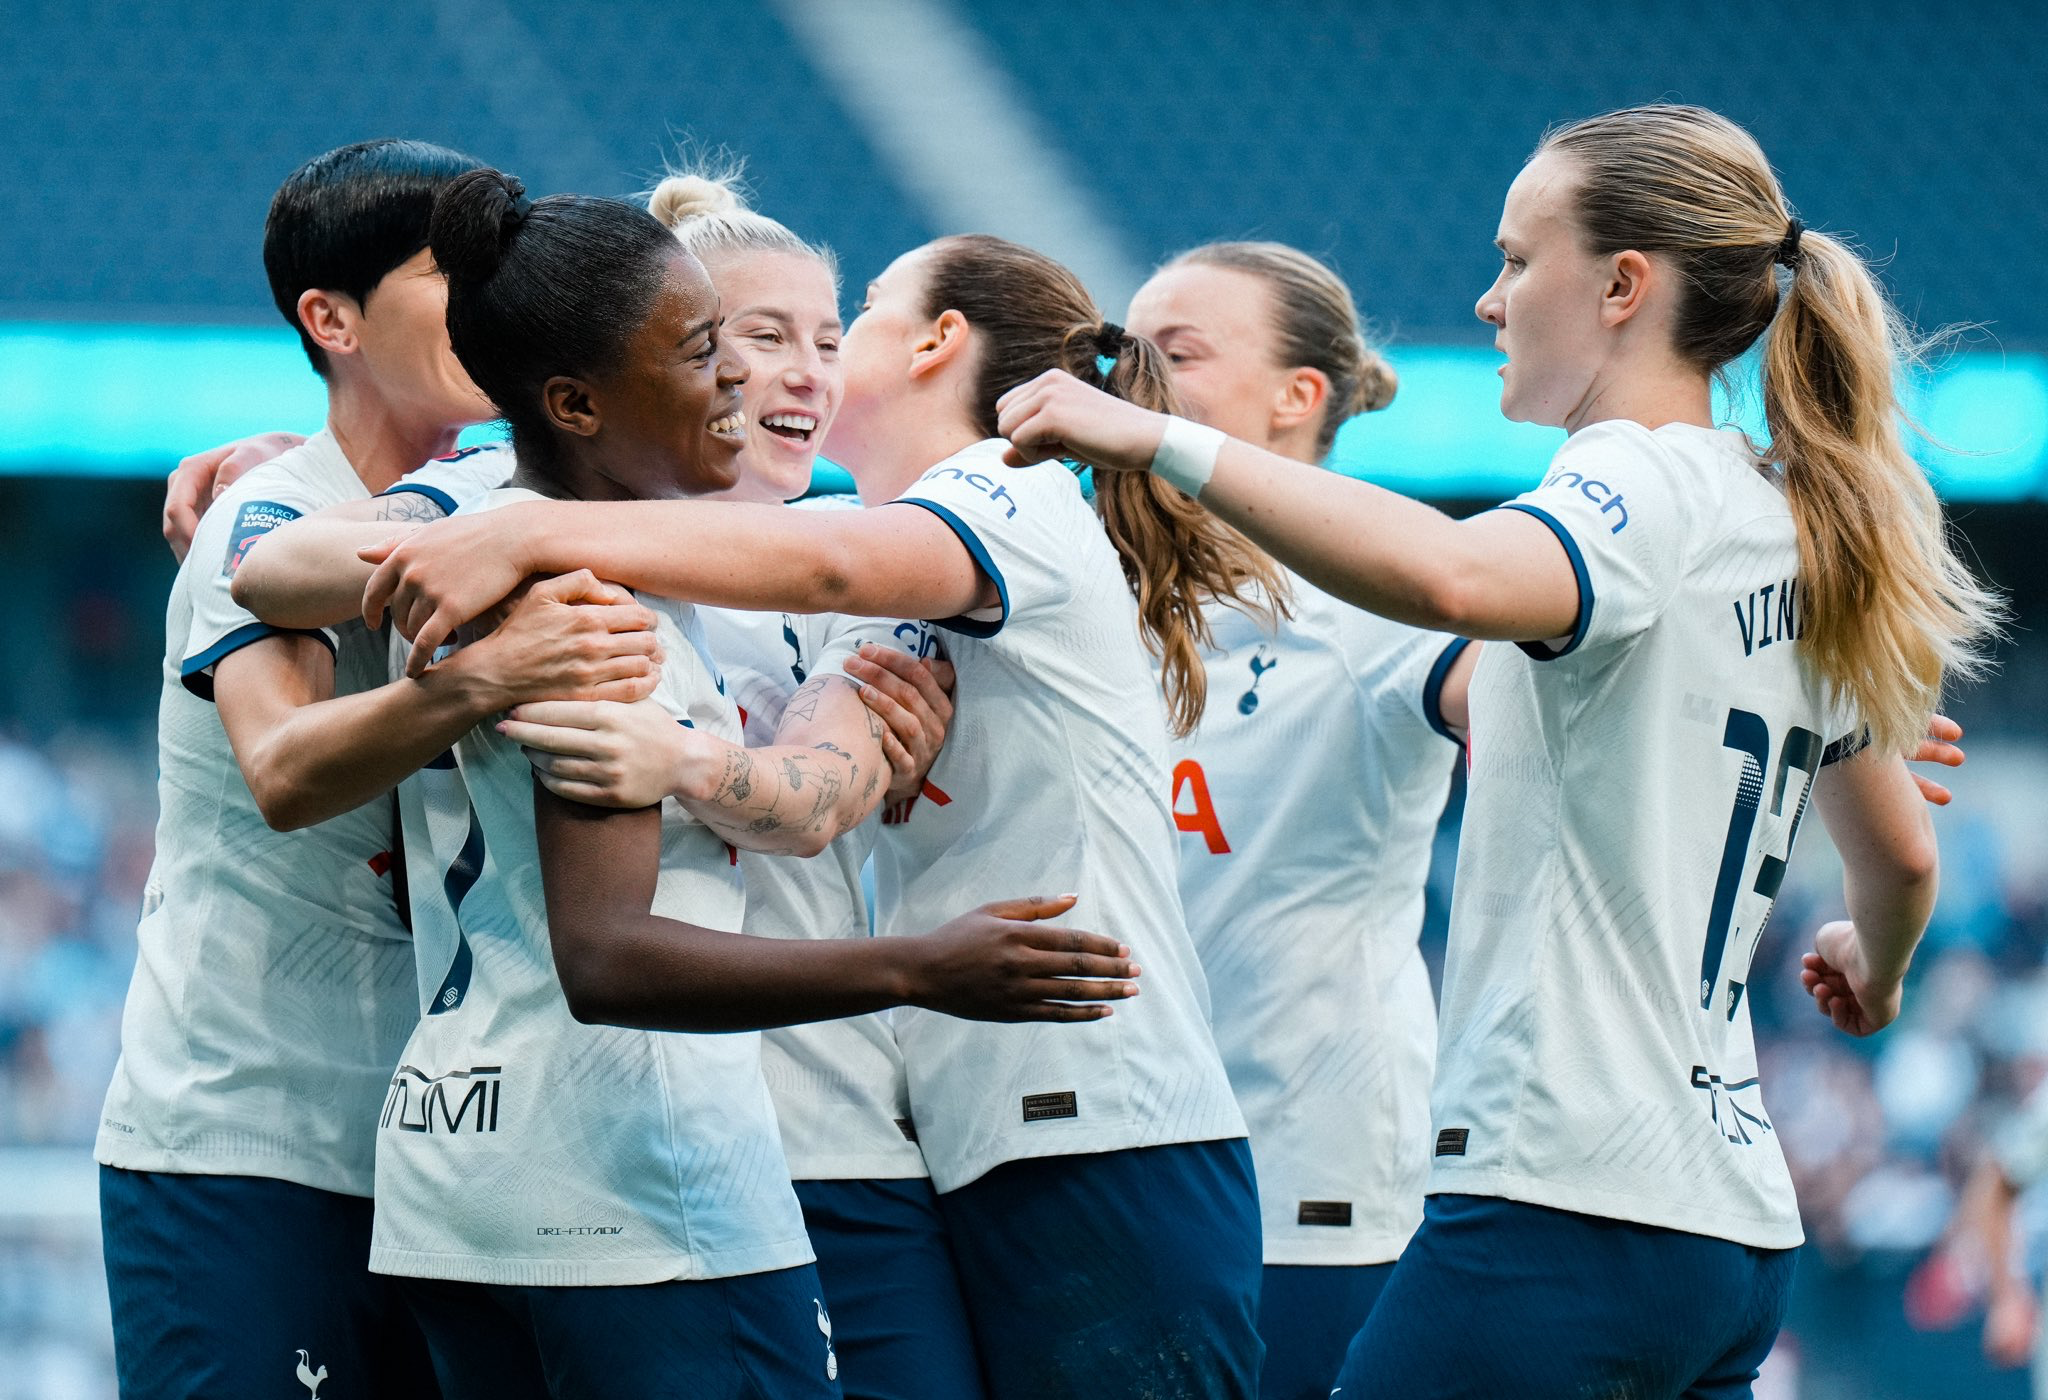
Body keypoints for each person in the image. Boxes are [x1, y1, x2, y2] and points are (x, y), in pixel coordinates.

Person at [994, 103, 2002, 1398]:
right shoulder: (1790, 517)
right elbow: (1904, 857)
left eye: (1521, 260)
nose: (1489, 299)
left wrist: (1162, 440)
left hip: (1561, 1192)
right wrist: (1882, 959)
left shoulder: (1632, 478)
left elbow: (1462, 581)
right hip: (1728, 1230)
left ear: (1624, 287)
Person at [357, 232, 1278, 1397]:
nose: (777, 374)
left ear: (937, 342)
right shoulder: (748, 538)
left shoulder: (978, 505)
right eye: (734, 341)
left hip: (1079, 1101)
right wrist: (300, 468)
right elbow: (300, 557)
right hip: (919, 1120)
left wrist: (673, 742)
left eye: (847, 325)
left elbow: (822, 666)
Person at [95, 139, 670, 1400]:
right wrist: (478, 678)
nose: (486, 298)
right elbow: (288, 768)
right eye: (445, 272)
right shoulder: (262, 514)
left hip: (450, 1152)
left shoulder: (511, 506)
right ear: (330, 318)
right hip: (249, 1136)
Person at [496, 170, 988, 1400]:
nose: (803, 372)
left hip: (835, 1124)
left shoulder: (866, 557)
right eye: (756, 338)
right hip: (644, 1152)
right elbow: (329, 543)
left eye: (827, 339)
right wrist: (268, 470)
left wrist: (694, 762)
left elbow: (815, 797)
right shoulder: (542, 529)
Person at [1125, 240, 1472, 1400]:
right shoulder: (1088, 593)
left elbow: (1557, 703)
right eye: (1124, 351)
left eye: (1175, 352)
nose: (1134, 378)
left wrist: (1825, 723)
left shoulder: (1383, 592)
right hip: (1114, 1158)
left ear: (1297, 397)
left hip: (1305, 1168)